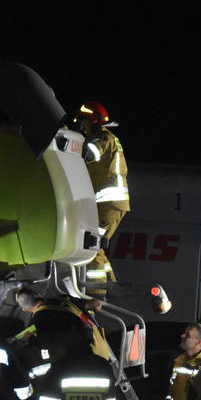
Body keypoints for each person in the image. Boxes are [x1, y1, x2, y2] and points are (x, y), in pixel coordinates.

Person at [74, 101, 129, 293]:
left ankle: (96, 293)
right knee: (97, 245)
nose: (80, 125)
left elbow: (90, 153)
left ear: (93, 121)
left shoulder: (103, 137)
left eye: (83, 121)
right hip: (109, 204)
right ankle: (110, 285)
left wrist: (71, 142)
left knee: (91, 244)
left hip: (108, 203)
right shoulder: (107, 137)